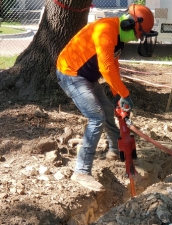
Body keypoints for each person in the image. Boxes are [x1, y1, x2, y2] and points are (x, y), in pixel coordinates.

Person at [56, 4, 158, 191]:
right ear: (130, 24)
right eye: (138, 33)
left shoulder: (118, 37)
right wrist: (125, 93)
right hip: (72, 74)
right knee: (97, 117)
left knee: (109, 110)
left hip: (87, 76)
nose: (137, 38)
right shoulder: (106, 31)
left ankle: (114, 150)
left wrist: (117, 93)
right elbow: (106, 68)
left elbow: (113, 64)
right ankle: (81, 171)